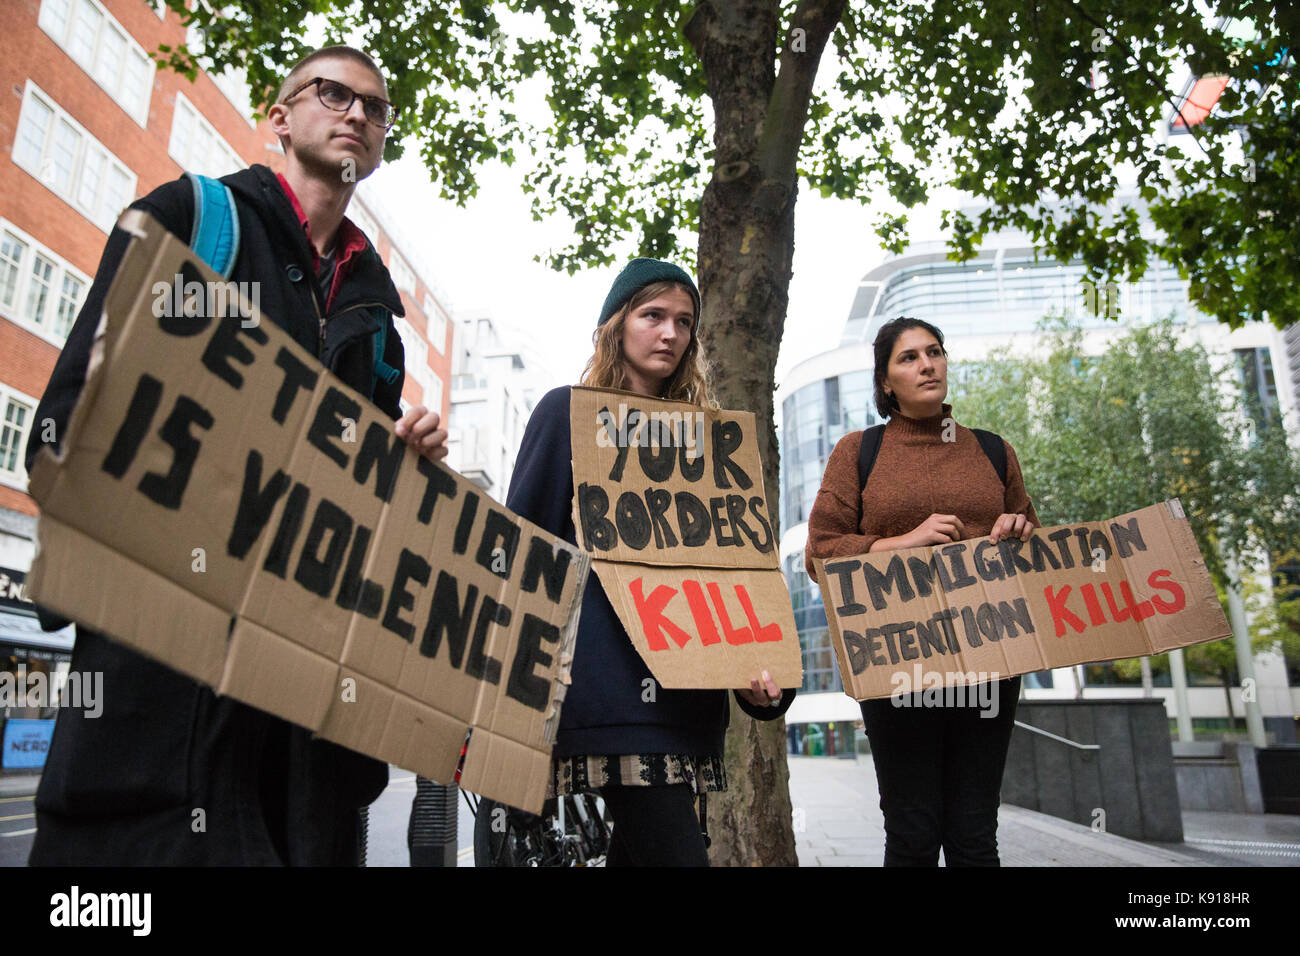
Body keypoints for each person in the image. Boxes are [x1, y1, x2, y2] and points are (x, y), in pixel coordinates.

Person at [24, 45, 448, 865]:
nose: (357, 112)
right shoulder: (194, 220)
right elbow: (74, 412)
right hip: (165, 705)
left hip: (303, 743)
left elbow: (367, 517)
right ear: (280, 119)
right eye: (334, 93)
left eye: (375, 106)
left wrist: (411, 463)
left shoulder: (380, 329)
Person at [481, 258, 796, 866]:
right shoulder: (565, 413)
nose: (670, 334)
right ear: (616, 326)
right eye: (652, 315)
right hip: (602, 700)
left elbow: (737, 573)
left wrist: (763, 683)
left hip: (687, 703)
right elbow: (525, 552)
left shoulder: (708, 441)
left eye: (683, 321)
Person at [804, 316, 1037, 867]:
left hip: (990, 660)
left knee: (975, 834)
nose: (927, 364)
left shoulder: (993, 450)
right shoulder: (858, 451)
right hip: (899, 662)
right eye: (908, 357)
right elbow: (820, 552)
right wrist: (900, 543)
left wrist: (1017, 531)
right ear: (886, 381)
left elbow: (1034, 541)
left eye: (935, 352)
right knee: (911, 834)